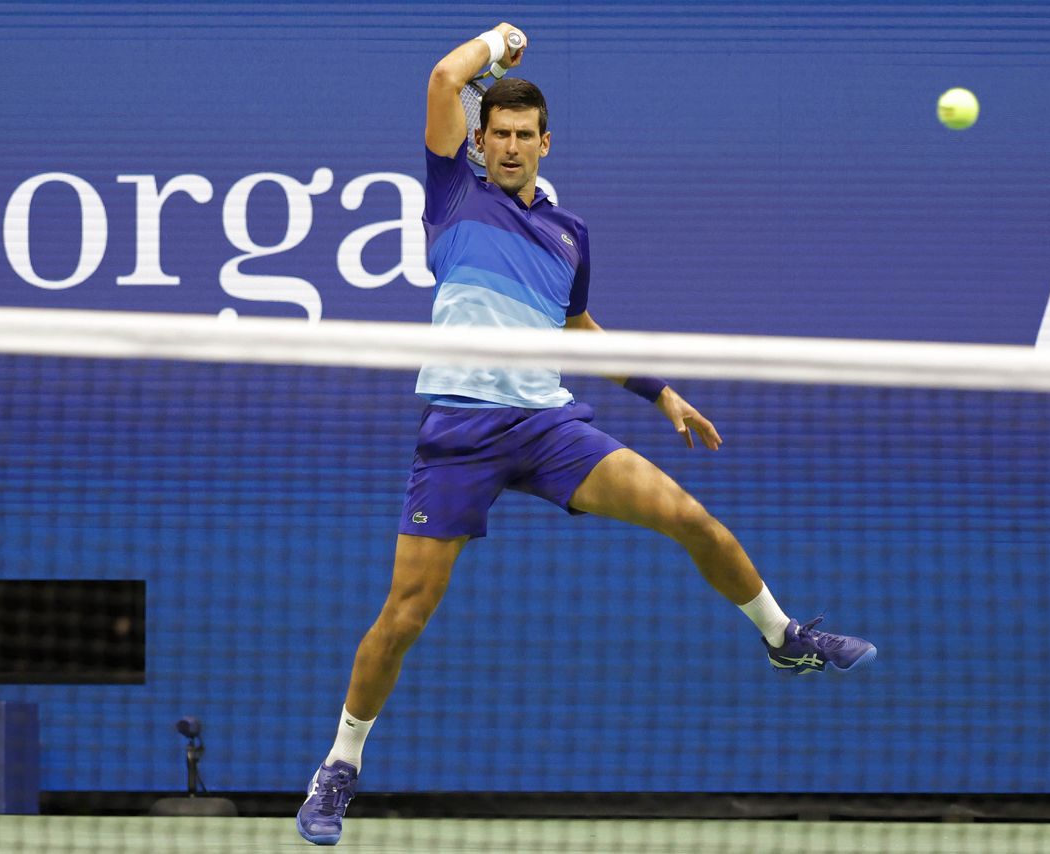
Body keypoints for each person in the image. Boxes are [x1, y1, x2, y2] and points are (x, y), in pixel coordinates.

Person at [295, 23, 876, 846]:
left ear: (545, 143)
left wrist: (660, 392)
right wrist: (498, 41)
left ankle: (785, 637)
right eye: (497, 134)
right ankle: (339, 765)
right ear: (479, 141)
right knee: (406, 613)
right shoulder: (453, 194)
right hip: (460, 428)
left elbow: (578, 330)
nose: (509, 147)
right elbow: (443, 78)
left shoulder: (570, 234)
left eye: (523, 135)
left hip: (546, 424)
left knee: (689, 517)